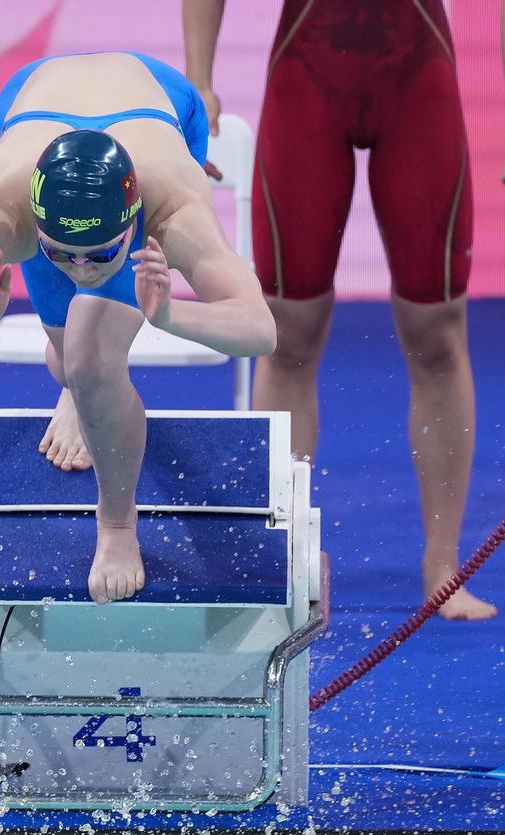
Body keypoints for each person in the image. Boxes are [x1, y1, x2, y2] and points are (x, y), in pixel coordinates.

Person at [0, 52, 275, 604]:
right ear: (34, 226)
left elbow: (260, 328)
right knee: (72, 363)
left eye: (100, 254)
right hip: (28, 103)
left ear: (133, 224)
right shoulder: (2, 211)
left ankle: (116, 522)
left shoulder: (173, 210)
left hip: (161, 104)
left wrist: (170, 315)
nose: (80, 270)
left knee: (90, 361)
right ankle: (76, 386)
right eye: (59, 253)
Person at [183, 0, 498, 621]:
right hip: (308, 71)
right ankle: (279, 555)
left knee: (437, 330)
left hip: (418, 71)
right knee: (287, 329)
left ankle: (442, 566)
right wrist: (198, 79)